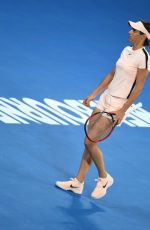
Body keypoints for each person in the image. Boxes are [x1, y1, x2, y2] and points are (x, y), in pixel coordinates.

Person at [56, 20, 150, 199]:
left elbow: (138, 88)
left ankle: (104, 178)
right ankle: (78, 183)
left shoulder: (144, 58)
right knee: (91, 143)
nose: (130, 32)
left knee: (89, 142)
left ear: (143, 36)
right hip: (105, 98)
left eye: (134, 30)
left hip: (118, 104)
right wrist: (93, 95)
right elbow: (112, 74)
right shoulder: (126, 50)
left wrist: (122, 110)